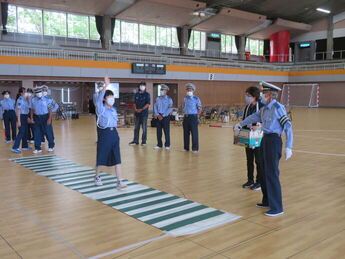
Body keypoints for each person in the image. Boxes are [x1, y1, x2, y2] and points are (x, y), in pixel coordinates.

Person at [235, 82, 293, 217]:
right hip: (265, 139)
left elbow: (288, 126)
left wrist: (289, 146)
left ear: (269, 95)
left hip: (274, 140)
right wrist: (240, 124)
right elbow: (254, 117)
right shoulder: (265, 108)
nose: (261, 96)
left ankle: (277, 207)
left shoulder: (278, 108)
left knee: (272, 174)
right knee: (264, 172)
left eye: (263, 93)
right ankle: (267, 200)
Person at [94, 77, 126, 190]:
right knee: (101, 157)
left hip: (114, 135)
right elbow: (98, 100)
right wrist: (105, 87)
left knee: (117, 158)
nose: (111, 99)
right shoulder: (100, 108)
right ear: (104, 99)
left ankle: (119, 181)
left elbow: (116, 122)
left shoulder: (113, 109)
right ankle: (97, 177)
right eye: (109, 97)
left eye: (112, 97)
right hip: (105, 134)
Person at [241, 86, 265, 191]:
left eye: (249, 96)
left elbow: (267, 121)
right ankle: (250, 180)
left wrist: (258, 126)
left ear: (255, 96)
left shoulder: (262, 107)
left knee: (259, 160)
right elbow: (244, 121)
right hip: (248, 136)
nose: (247, 97)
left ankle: (259, 182)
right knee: (249, 159)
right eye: (246, 95)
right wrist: (239, 127)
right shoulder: (247, 107)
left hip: (259, 137)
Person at [30, 86, 56, 153]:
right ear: (35, 93)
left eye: (39, 92)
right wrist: (31, 118)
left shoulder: (48, 99)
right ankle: (37, 148)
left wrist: (49, 119)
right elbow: (32, 109)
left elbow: (50, 110)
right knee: (37, 133)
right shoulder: (33, 99)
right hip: (36, 117)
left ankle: (51, 146)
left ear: (42, 92)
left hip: (46, 117)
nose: (39, 93)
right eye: (37, 92)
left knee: (48, 132)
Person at [11, 87, 32, 153]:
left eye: (26, 91)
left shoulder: (25, 99)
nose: (26, 93)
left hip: (25, 116)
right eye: (24, 91)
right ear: (21, 93)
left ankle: (24, 146)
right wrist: (19, 121)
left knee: (25, 131)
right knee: (21, 132)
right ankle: (15, 147)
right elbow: (18, 110)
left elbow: (29, 107)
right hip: (21, 116)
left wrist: (28, 99)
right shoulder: (20, 100)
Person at [129, 82, 150, 146]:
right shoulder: (136, 94)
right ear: (139, 86)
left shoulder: (147, 94)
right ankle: (135, 141)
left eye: (143, 85)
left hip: (144, 114)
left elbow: (148, 104)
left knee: (144, 128)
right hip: (137, 114)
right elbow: (134, 103)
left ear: (145, 87)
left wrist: (141, 109)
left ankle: (144, 141)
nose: (142, 87)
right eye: (141, 85)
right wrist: (135, 109)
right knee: (136, 128)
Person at [183, 83, 202, 153]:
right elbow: (184, 107)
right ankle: (186, 148)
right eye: (187, 89)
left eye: (190, 89)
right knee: (185, 133)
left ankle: (195, 148)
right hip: (186, 117)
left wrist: (197, 116)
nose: (188, 91)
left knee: (194, 133)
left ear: (193, 90)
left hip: (193, 117)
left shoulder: (196, 99)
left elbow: (199, 109)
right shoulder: (185, 98)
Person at [153, 84, 173, 150]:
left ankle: (167, 145)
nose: (161, 91)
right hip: (158, 116)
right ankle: (159, 145)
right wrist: (157, 114)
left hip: (165, 117)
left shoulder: (169, 99)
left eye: (163, 90)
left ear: (166, 91)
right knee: (158, 132)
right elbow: (155, 106)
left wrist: (163, 115)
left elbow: (170, 108)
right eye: (161, 89)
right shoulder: (158, 98)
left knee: (166, 131)